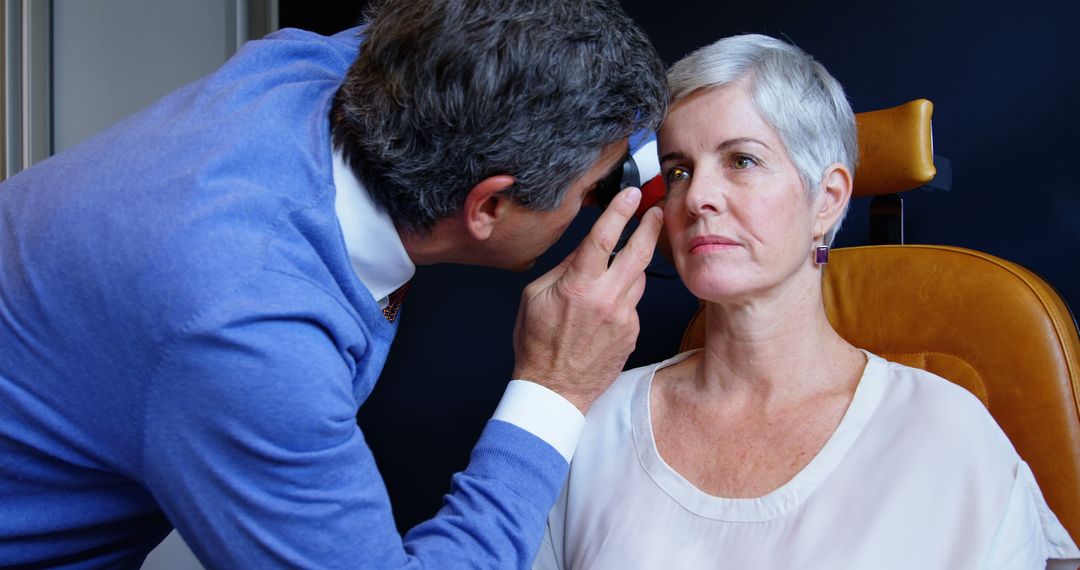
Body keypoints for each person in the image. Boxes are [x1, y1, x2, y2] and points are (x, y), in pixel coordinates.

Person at [0, 0, 668, 567]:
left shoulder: (328, 66)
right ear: (489, 206)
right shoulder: (249, 334)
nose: (601, 198)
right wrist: (555, 388)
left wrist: (643, 155)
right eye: (595, 188)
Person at [534, 34, 1080, 569]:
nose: (697, 197)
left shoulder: (949, 434)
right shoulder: (592, 424)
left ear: (828, 198)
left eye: (741, 161)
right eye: (679, 171)